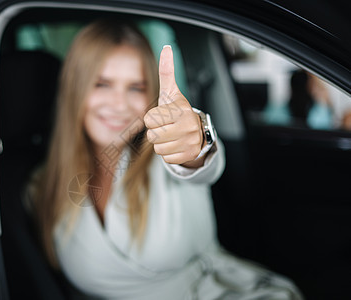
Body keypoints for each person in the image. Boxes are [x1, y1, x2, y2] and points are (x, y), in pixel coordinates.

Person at [29, 20, 303, 299]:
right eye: (102, 84)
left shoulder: (165, 153)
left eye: (136, 88)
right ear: (74, 90)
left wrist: (198, 140)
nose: (119, 104)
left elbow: (199, 162)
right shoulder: (42, 185)